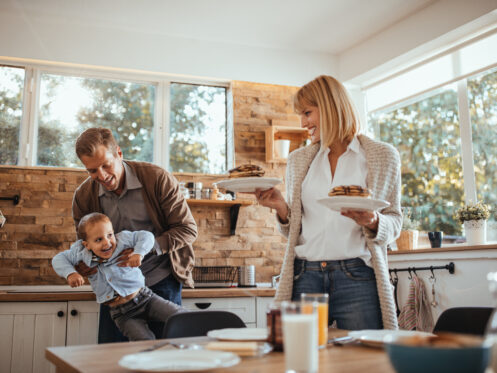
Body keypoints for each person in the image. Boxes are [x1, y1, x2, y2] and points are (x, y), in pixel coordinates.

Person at [255, 75, 401, 330]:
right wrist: (281, 208)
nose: (303, 123)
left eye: (308, 113)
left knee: (364, 363)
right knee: (299, 360)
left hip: (357, 276)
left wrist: (374, 221)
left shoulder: (381, 156)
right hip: (305, 276)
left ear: (331, 106)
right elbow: (294, 230)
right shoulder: (300, 160)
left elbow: (395, 219)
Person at [72, 127, 197, 343]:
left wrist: (144, 249)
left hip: (161, 280)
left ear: (119, 154)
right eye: (92, 171)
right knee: (112, 358)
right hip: (115, 291)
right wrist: (83, 264)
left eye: (106, 165)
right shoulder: (84, 196)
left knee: (165, 354)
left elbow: (187, 229)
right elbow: (83, 244)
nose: (101, 176)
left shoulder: (157, 179)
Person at [52, 213, 186, 341]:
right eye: (98, 239)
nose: (107, 243)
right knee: (144, 340)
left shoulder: (122, 239)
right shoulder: (80, 253)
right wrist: (71, 273)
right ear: (86, 245)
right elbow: (59, 258)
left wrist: (139, 253)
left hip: (146, 299)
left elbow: (147, 236)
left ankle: (205, 335)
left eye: (109, 235)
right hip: (123, 314)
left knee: (181, 316)